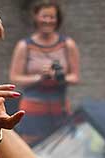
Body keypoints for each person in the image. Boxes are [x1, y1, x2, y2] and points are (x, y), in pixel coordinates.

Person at [9, 2, 81, 144]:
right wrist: (40, 77)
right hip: (32, 110)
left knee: (61, 148)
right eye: (44, 16)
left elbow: (75, 77)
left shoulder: (68, 45)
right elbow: (15, 77)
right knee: (29, 150)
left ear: (58, 19)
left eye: (52, 17)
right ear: (36, 18)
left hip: (60, 110)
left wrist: (58, 76)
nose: (48, 21)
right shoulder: (25, 46)